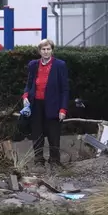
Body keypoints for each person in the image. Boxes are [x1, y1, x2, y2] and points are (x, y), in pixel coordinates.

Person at [22, 39, 69, 168]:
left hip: (53, 104)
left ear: (52, 50)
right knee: (37, 133)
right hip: (36, 103)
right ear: (39, 51)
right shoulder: (33, 65)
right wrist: (25, 96)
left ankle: (54, 161)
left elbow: (65, 89)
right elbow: (29, 84)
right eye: (43, 49)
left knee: (53, 133)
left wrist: (63, 109)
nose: (46, 51)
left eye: (48, 49)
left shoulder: (60, 65)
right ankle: (38, 161)